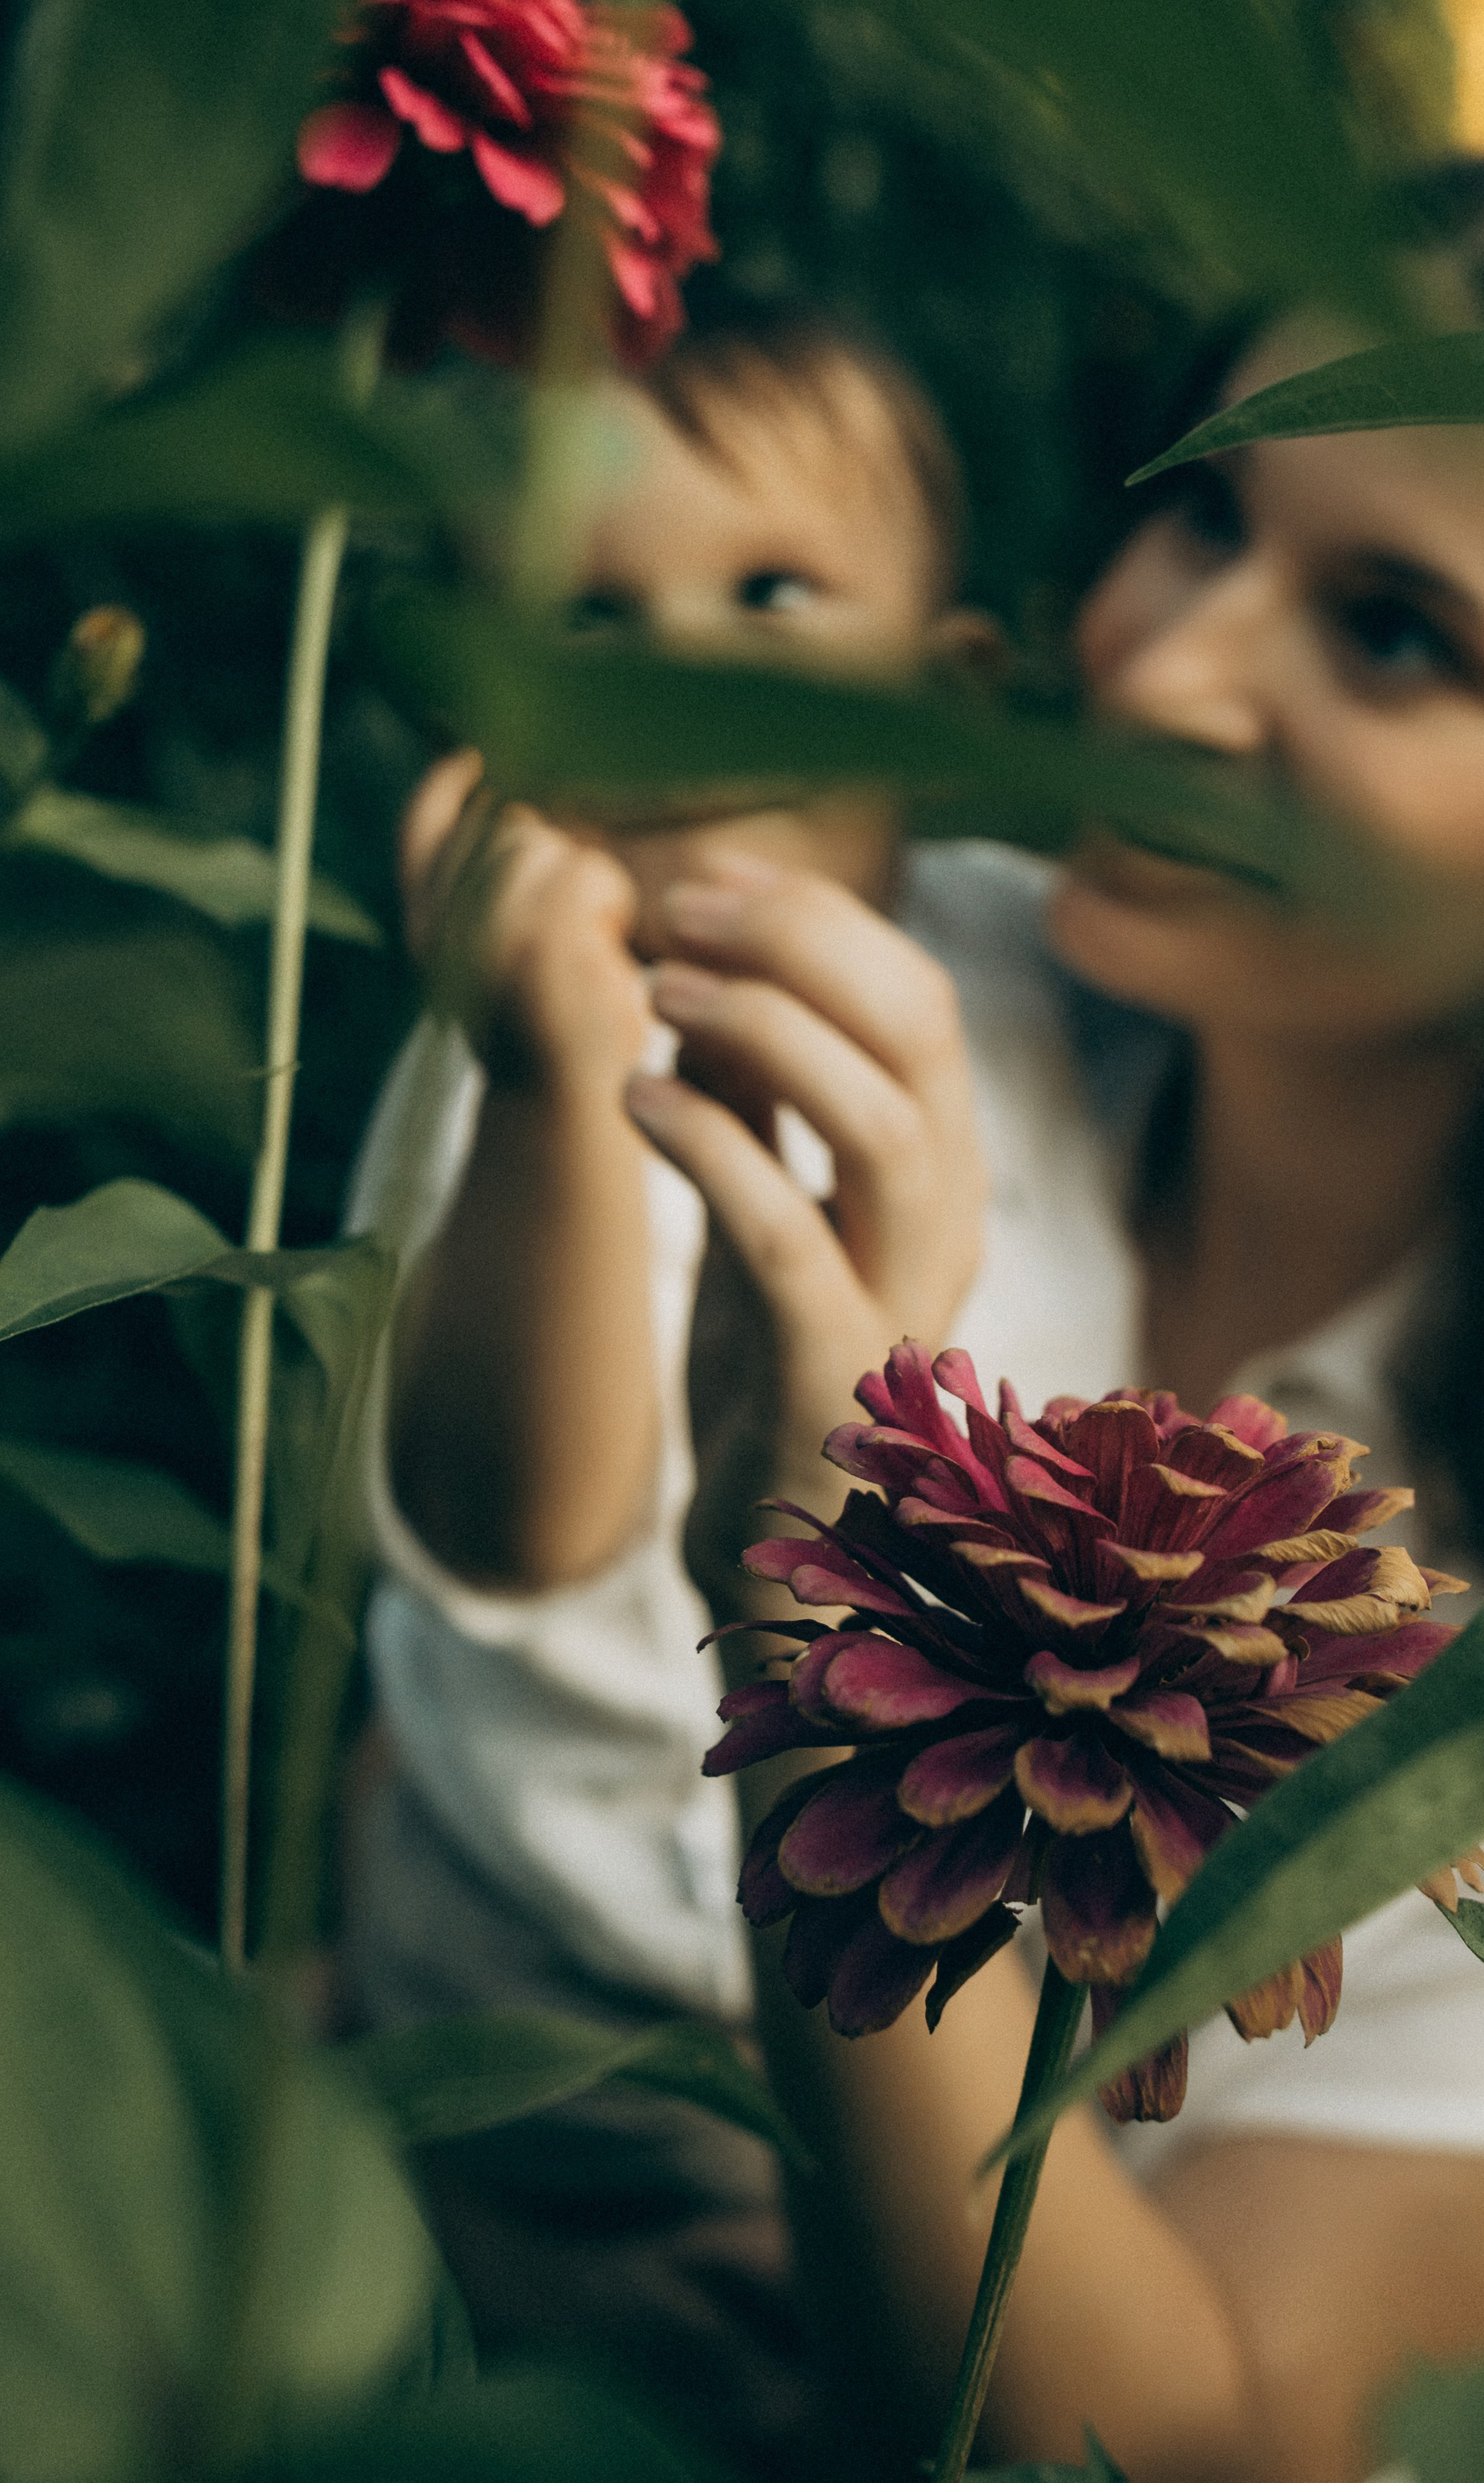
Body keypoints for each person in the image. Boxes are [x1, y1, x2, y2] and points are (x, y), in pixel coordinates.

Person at [619, 145, 1484, 2482]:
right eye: (1210, 516)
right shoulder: (899, 988)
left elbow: (1173, 2440)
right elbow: (437, 1676)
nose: (1160, 670)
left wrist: (810, 1614)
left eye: (1393, 630)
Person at [340, 312, 1137, 2468]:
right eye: (593, 619)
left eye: (769, 595)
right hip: (567, 1995)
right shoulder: (517, 1044)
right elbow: (521, 1523)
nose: (674, 665)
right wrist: (544, 1078)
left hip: (931, 1988)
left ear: (955, 690)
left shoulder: (1032, 971)